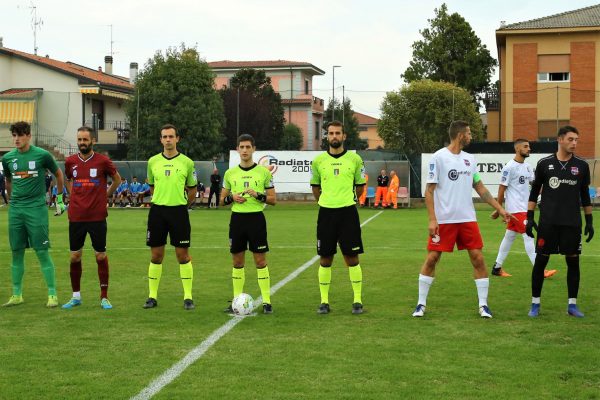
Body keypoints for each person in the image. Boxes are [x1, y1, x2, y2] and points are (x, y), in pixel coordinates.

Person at [412, 120, 512, 319]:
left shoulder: (469, 159)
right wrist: (432, 220)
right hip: (444, 221)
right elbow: (429, 191)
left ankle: (483, 305)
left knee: (478, 258)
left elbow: (480, 188)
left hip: (467, 219)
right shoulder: (438, 158)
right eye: (469, 133)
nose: (471, 136)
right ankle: (420, 304)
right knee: (432, 259)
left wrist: (500, 208)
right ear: (460, 136)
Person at [525, 126, 594, 318]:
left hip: (572, 223)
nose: (574, 143)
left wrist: (589, 221)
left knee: (573, 262)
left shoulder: (581, 166)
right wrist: (529, 218)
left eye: (576, 140)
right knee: (541, 262)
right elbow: (534, 192)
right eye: (571, 139)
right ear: (560, 139)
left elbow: (585, 196)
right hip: (548, 223)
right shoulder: (544, 163)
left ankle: (572, 305)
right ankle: (535, 304)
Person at [1, 121, 66, 308]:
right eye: (14, 135)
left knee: (42, 251)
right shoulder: (7, 158)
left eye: (20, 135)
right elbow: (8, 180)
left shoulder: (42, 155)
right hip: (16, 210)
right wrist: (12, 200)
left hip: (36, 209)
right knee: (16, 252)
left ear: (29, 136)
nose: (16, 139)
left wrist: (59, 200)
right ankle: (16, 295)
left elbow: (59, 175)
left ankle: (52, 294)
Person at [61, 126, 122, 310]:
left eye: (85, 140)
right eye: (79, 140)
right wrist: (72, 197)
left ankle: (104, 297)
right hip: (77, 216)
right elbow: (68, 179)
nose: (82, 143)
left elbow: (117, 180)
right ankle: (76, 296)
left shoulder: (103, 161)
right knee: (74, 256)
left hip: (97, 216)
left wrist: (105, 196)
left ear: (93, 141)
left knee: (100, 255)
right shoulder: (71, 161)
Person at [310, 120, 367, 315]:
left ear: (344, 136)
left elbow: (360, 187)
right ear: (327, 136)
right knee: (325, 258)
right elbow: (315, 188)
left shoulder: (355, 160)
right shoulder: (318, 162)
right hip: (326, 213)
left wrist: (345, 199)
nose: (334, 136)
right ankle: (324, 301)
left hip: (348, 212)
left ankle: (357, 301)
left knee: (352, 257)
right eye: (331, 133)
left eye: (337, 133)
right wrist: (326, 201)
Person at [143, 124, 197, 310]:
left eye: (171, 136)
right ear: (161, 139)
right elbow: (151, 186)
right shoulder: (152, 162)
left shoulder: (187, 163)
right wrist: (161, 198)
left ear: (177, 139)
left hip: (178, 212)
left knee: (182, 255)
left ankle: (188, 297)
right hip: (157, 212)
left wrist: (183, 205)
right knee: (156, 255)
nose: (168, 140)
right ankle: (152, 297)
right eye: (164, 136)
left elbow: (192, 189)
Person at [221, 134, 276, 314]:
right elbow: (222, 200)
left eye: (248, 147)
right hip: (237, 220)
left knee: (260, 261)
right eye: (241, 147)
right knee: (237, 262)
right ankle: (237, 301)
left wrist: (257, 195)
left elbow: (273, 199)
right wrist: (232, 197)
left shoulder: (264, 172)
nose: (244, 150)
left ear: (253, 149)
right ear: (237, 149)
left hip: (256, 219)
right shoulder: (230, 173)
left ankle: (267, 301)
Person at [491, 139, 556, 278]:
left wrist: (548, 189)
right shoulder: (509, 167)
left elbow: (535, 186)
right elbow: (502, 188)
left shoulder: (527, 167)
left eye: (529, 147)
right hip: (516, 209)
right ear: (517, 149)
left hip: (524, 208)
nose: (529, 149)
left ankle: (497, 268)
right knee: (529, 235)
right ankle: (540, 270)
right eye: (525, 147)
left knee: (509, 237)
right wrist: (498, 209)